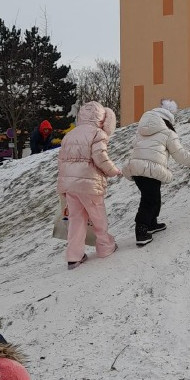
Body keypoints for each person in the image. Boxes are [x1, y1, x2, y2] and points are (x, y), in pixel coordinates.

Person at [123, 99, 190, 246]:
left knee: (153, 197)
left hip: (137, 169)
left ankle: (151, 224)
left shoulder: (141, 131)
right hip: (151, 169)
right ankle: (141, 230)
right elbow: (180, 154)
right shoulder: (167, 133)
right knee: (149, 200)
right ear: (167, 120)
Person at [57, 100, 121, 270]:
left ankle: (74, 256)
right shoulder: (97, 133)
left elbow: (61, 161)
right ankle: (105, 247)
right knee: (98, 216)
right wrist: (114, 171)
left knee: (76, 219)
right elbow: (100, 157)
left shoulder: (70, 135)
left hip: (70, 185)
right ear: (102, 118)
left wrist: (63, 185)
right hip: (89, 183)